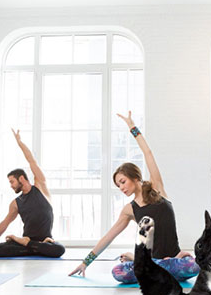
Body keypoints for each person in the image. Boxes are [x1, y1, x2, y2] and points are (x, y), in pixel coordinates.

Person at [68, 111, 199, 283]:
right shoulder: (129, 210)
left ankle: (153, 266)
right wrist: (86, 262)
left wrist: (132, 128)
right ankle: (155, 266)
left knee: (194, 266)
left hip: (172, 260)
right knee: (118, 272)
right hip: (153, 262)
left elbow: (148, 154)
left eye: (123, 182)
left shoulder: (157, 187)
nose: (121, 187)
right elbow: (109, 237)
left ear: (135, 177)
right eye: (118, 185)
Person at [0, 128, 65, 258]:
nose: (11, 186)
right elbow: (4, 224)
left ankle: (27, 244)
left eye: (12, 182)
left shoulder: (40, 186)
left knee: (59, 250)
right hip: (35, 244)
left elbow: (31, 161)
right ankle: (30, 245)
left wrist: (20, 143)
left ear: (22, 179)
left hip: (46, 240)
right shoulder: (16, 203)